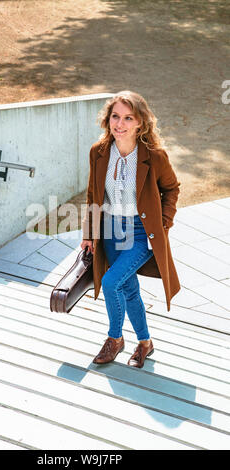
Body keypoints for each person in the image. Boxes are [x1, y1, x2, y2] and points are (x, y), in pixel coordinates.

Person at [81, 90, 181, 368]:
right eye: (115, 116)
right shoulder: (98, 153)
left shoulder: (154, 156)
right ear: (108, 119)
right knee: (128, 289)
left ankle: (115, 339)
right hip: (110, 231)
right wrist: (89, 234)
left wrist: (162, 225)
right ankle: (145, 342)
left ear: (140, 123)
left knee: (111, 283)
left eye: (128, 118)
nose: (120, 124)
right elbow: (92, 196)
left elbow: (171, 189)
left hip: (139, 232)